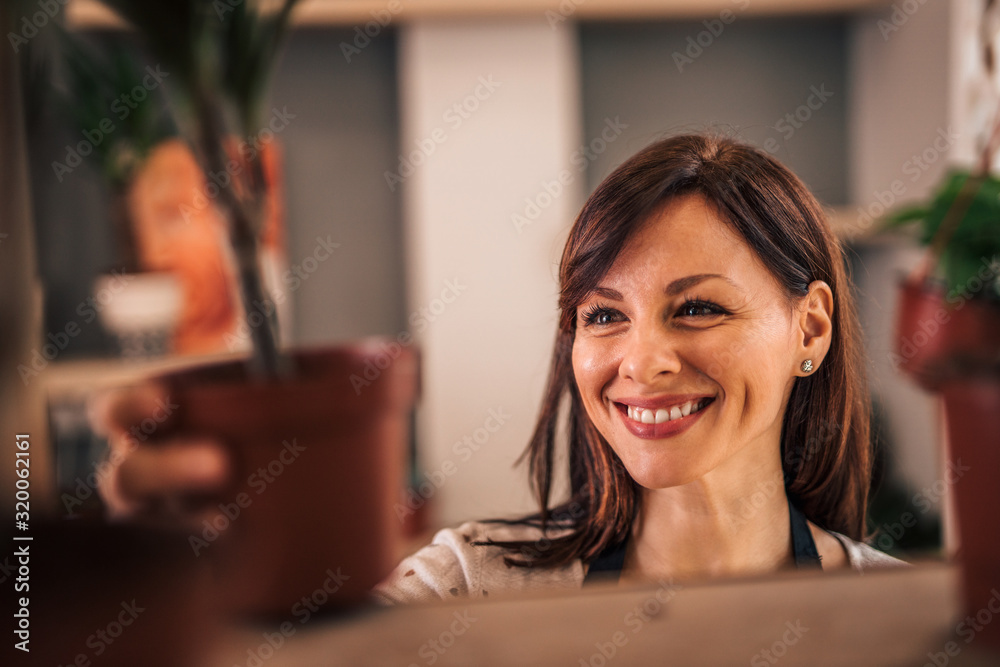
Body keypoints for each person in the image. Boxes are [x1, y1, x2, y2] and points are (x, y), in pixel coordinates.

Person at [95, 133, 906, 605]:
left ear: (812, 327)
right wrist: (186, 590)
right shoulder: (468, 588)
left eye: (697, 308)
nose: (642, 360)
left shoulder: (901, 613)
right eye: (603, 315)